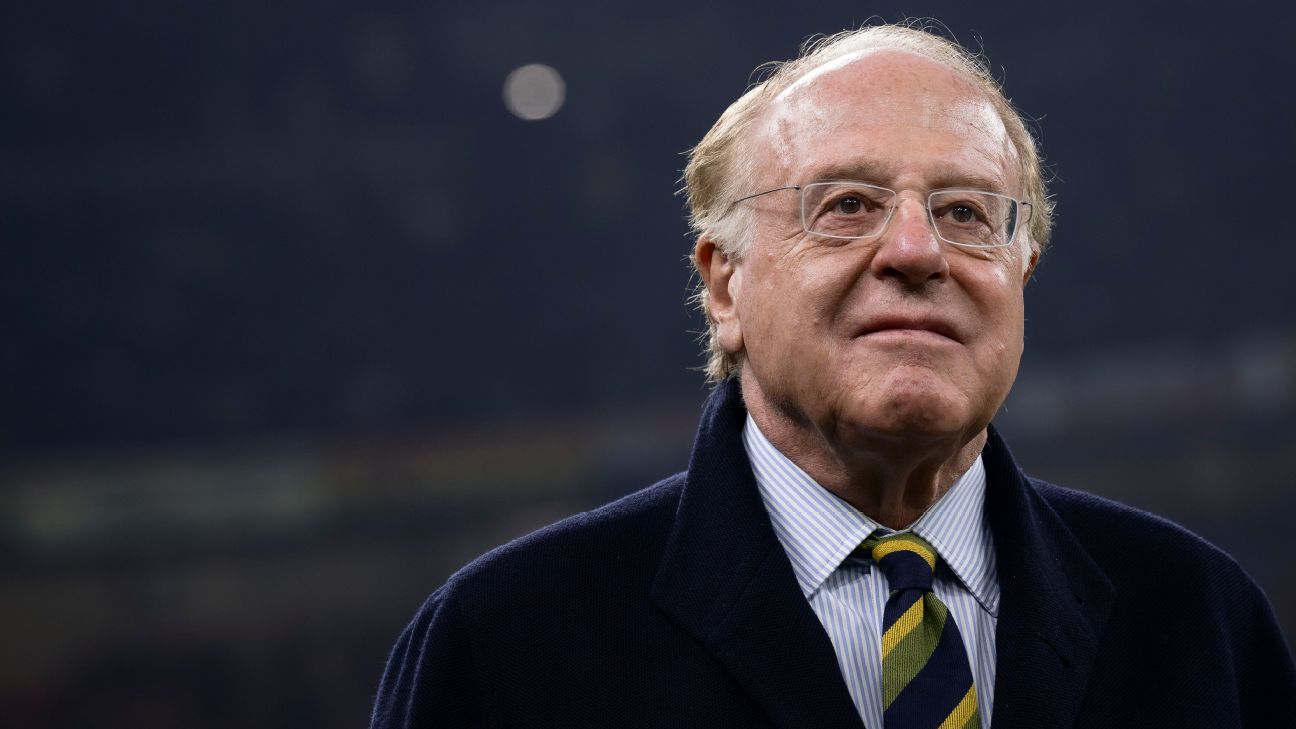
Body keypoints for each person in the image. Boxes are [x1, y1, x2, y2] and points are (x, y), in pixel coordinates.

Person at [371, 23, 1296, 728]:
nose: (917, 250)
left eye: (967, 212)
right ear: (724, 285)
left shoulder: (1200, 622)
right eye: (848, 204)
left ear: (1023, 273)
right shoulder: (504, 644)